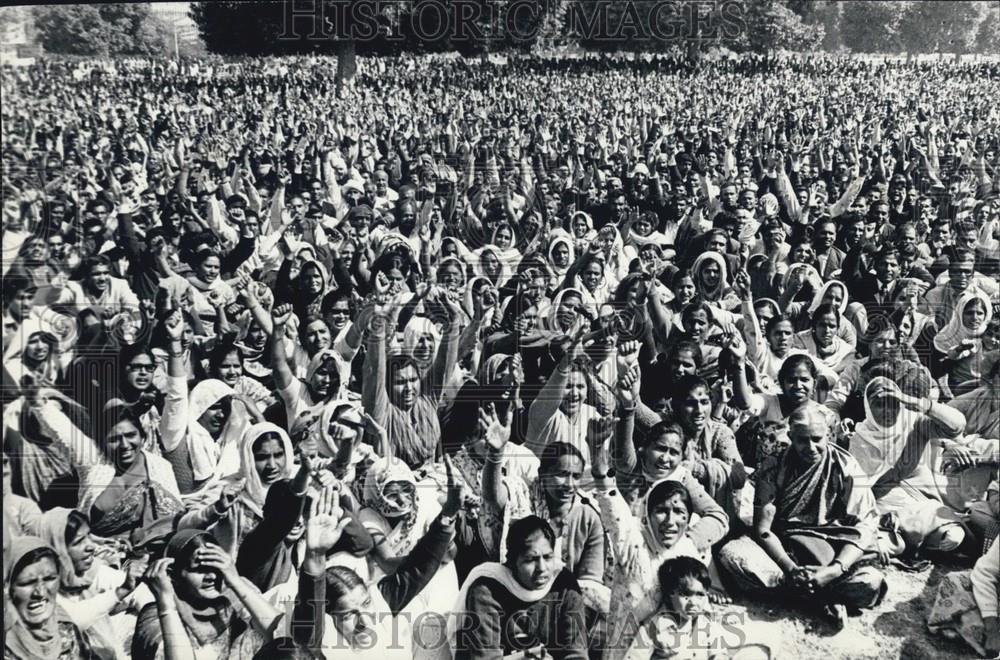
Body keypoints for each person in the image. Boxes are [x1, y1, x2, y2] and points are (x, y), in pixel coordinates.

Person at [718, 404, 887, 629]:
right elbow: (763, 530)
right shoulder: (774, 464)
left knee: (870, 582)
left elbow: (865, 524)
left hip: (833, 548)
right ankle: (821, 595)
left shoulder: (845, 465)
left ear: (829, 435)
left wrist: (833, 570)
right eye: (802, 440)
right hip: (786, 549)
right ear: (790, 436)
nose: (811, 447)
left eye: (817, 439)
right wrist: (791, 569)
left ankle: (806, 590)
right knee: (732, 556)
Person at [449, 515, 590, 660]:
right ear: (512, 562)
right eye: (530, 560)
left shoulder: (564, 585)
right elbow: (485, 656)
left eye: (548, 557)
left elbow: (576, 653)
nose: (542, 568)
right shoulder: (487, 590)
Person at [4, 534, 114, 659]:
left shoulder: (64, 624)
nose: (40, 593)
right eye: (27, 583)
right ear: (8, 587)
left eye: (49, 579)